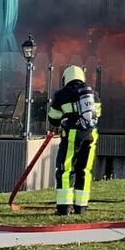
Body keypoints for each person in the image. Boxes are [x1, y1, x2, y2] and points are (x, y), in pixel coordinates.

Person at [47, 65, 100, 215]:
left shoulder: (62, 94)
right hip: (91, 135)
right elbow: (98, 113)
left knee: (66, 169)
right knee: (85, 170)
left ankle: (64, 207)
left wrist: (65, 120)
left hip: (72, 135)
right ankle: (81, 206)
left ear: (66, 78)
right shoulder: (93, 94)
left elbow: (53, 117)